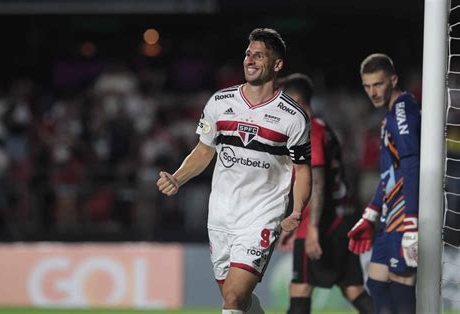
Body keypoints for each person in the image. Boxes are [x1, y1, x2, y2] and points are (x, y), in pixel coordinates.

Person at [156, 28, 312, 314]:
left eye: (259, 56)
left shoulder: (293, 117)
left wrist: (297, 210)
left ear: (277, 65)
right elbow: (204, 151)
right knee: (237, 300)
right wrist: (177, 178)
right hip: (221, 216)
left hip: (261, 216)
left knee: (233, 300)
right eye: (248, 54)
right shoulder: (220, 102)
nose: (250, 60)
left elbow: (303, 169)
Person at [276, 73, 374, 314]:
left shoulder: (309, 132)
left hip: (322, 223)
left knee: (300, 288)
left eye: (283, 102)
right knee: (353, 289)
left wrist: (310, 228)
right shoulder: (324, 128)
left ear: (297, 100)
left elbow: (317, 182)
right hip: (344, 217)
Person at [347, 53, 420, 314]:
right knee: (377, 284)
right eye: (367, 86)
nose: (372, 92)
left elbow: (412, 165)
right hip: (389, 215)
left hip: (403, 214)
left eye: (377, 84)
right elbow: (388, 173)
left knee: (401, 286)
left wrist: (412, 223)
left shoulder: (403, 111)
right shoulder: (388, 117)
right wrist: (370, 215)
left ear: (393, 80)